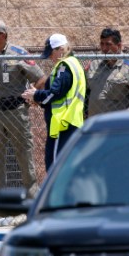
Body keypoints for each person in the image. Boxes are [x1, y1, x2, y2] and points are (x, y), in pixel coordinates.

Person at [0, 19, 45, 208]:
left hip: (16, 111)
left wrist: (32, 95)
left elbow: (40, 77)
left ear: (3, 36)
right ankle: (0, 204)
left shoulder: (18, 54)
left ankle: (33, 201)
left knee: (24, 155)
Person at [23, 34, 85, 170]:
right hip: (69, 123)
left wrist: (36, 95)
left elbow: (55, 93)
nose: (50, 57)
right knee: (65, 167)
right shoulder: (73, 63)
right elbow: (60, 96)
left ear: (60, 49)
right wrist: (39, 100)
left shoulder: (64, 66)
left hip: (63, 124)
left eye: (51, 53)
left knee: (55, 168)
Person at [86, 27, 129, 116]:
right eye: (102, 44)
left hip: (117, 126)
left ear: (119, 46)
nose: (104, 48)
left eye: (108, 44)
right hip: (95, 124)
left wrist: (128, 116)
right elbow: (87, 91)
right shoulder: (95, 65)